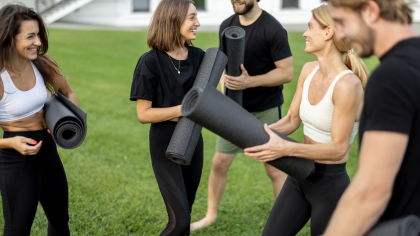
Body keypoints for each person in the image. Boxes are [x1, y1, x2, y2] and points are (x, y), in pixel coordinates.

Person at [244, 5, 369, 236]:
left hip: (329, 185)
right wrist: (251, 133)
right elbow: (292, 119)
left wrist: (286, 148)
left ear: (329, 32)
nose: (305, 33)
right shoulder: (308, 70)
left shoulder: (347, 85)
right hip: (299, 176)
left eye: (310, 27)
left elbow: (338, 148)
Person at [191, 0, 294, 230]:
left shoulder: (273, 28)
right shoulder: (227, 25)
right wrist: (221, 87)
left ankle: (285, 222)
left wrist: (249, 82)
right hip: (233, 108)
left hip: (265, 108)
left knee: (274, 168)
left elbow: (286, 73)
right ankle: (210, 216)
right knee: (219, 163)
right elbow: (223, 63)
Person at [321, 0, 420, 235]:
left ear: (370, 11)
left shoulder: (392, 77)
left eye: (342, 22)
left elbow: (371, 192)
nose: (340, 33)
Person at [0, 4, 79, 236]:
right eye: (30, 36)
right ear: (9, 38)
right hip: (17, 159)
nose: (37, 41)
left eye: (38, 34)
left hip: (48, 151)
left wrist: (68, 120)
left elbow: (68, 92)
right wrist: (10, 143)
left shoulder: (42, 64)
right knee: (17, 230)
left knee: (59, 219)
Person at [129, 0, 205, 235]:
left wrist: (233, 81)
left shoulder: (200, 57)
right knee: (179, 222)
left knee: (186, 213)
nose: (197, 23)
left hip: (193, 140)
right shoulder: (150, 62)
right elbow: (143, 114)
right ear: (173, 19)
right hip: (165, 143)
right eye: (192, 17)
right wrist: (183, 110)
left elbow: (214, 100)